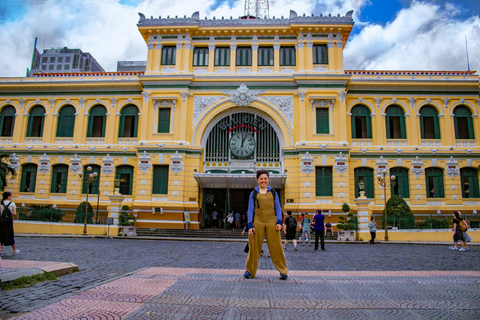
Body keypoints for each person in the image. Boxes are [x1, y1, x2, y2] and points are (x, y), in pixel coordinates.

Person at [244, 170, 288, 280]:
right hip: (257, 221)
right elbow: (250, 210)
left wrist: (279, 222)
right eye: (261, 178)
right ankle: (250, 270)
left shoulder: (273, 192)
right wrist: (250, 225)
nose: (263, 180)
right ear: (257, 180)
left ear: (268, 179)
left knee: (276, 246)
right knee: (254, 247)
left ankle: (283, 271)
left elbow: (278, 207)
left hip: (271, 222)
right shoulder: (253, 193)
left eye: (265, 178)